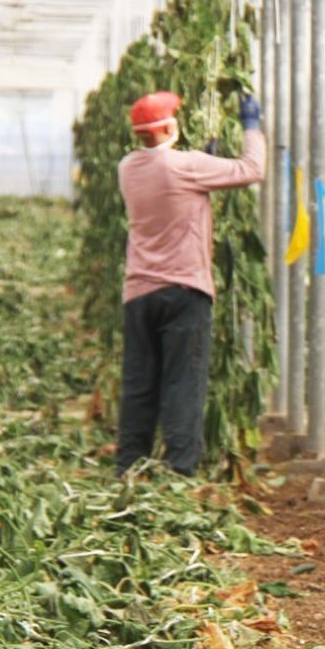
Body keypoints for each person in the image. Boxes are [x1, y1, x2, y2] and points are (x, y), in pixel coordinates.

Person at [116, 91, 267, 476]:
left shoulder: (127, 167)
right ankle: (178, 471)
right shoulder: (187, 165)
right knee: (183, 383)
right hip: (184, 292)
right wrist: (252, 127)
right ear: (168, 127)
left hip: (139, 292)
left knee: (139, 382)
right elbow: (252, 169)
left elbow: (170, 179)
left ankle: (129, 466)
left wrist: (202, 155)